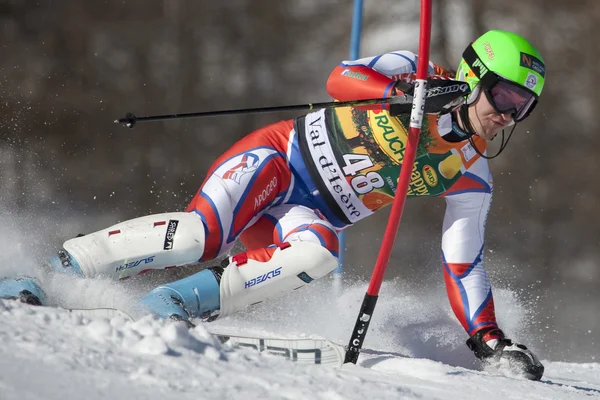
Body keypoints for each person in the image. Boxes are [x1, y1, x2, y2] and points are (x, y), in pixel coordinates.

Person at [0, 30, 546, 379]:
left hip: (307, 212)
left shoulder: (471, 173)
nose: (507, 115)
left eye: (522, 108)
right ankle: (53, 272)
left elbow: (463, 261)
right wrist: (399, 92)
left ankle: (172, 307)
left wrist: (490, 340)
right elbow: (341, 78)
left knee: (320, 253)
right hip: (278, 159)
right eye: (504, 96)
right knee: (199, 238)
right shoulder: (414, 65)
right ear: (474, 76)